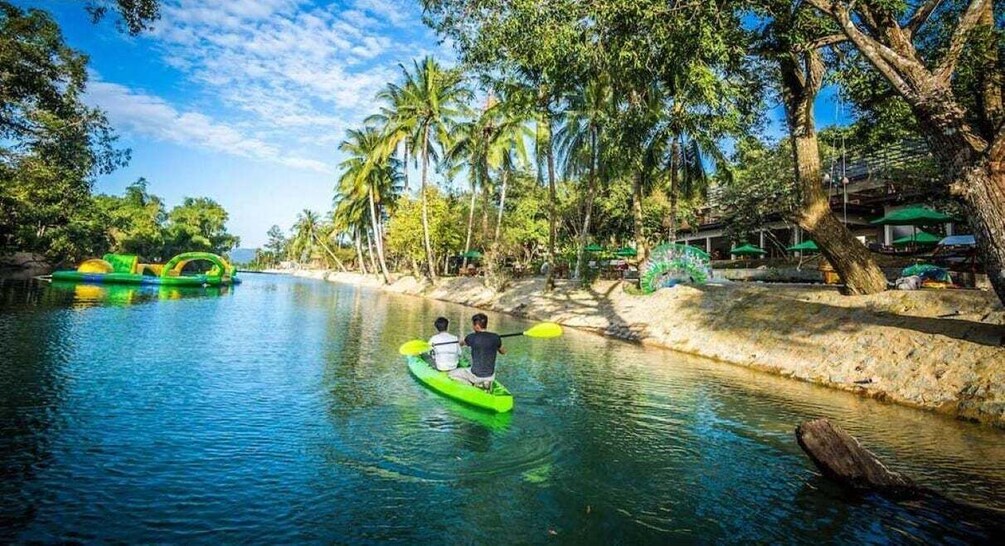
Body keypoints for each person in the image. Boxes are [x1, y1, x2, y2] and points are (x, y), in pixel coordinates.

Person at [449, 313, 505, 390]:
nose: (472, 327)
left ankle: (471, 384)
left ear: (477, 326)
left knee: (451, 374)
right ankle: (485, 383)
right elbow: (503, 352)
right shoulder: (496, 337)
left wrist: (460, 341)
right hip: (490, 376)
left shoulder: (471, 337)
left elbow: (462, 344)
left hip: (476, 375)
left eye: (473, 325)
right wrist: (497, 344)